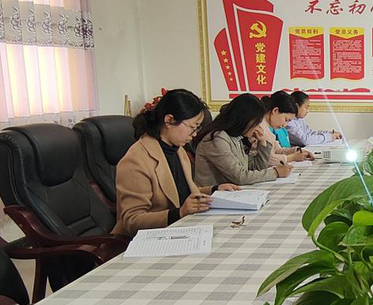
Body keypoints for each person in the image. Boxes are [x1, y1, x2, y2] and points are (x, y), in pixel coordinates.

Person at [113, 89, 240, 237]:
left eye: (197, 128)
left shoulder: (178, 150)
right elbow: (132, 221)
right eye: (192, 127)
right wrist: (179, 213)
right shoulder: (136, 160)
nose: (195, 134)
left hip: (182, 229)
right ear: (169, 120)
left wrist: (215, 189)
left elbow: (178, 191)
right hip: (152, 239)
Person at [194, 94, 292, 186]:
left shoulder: (237, 137)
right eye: (257, 122)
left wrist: (262, 142)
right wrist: (275, 172)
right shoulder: (217, 139)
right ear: (245, 119)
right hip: (214, 195)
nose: (258, 127)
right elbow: (239, 176)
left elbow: (256, 167)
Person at [260, 91, 313, 164]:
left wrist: (297, 150)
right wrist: (292, 157)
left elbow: (277, 150)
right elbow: (267, 159)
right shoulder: (259, 127)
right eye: (286, 120)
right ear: (275, 111)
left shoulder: (268, 128)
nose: (285, 125)